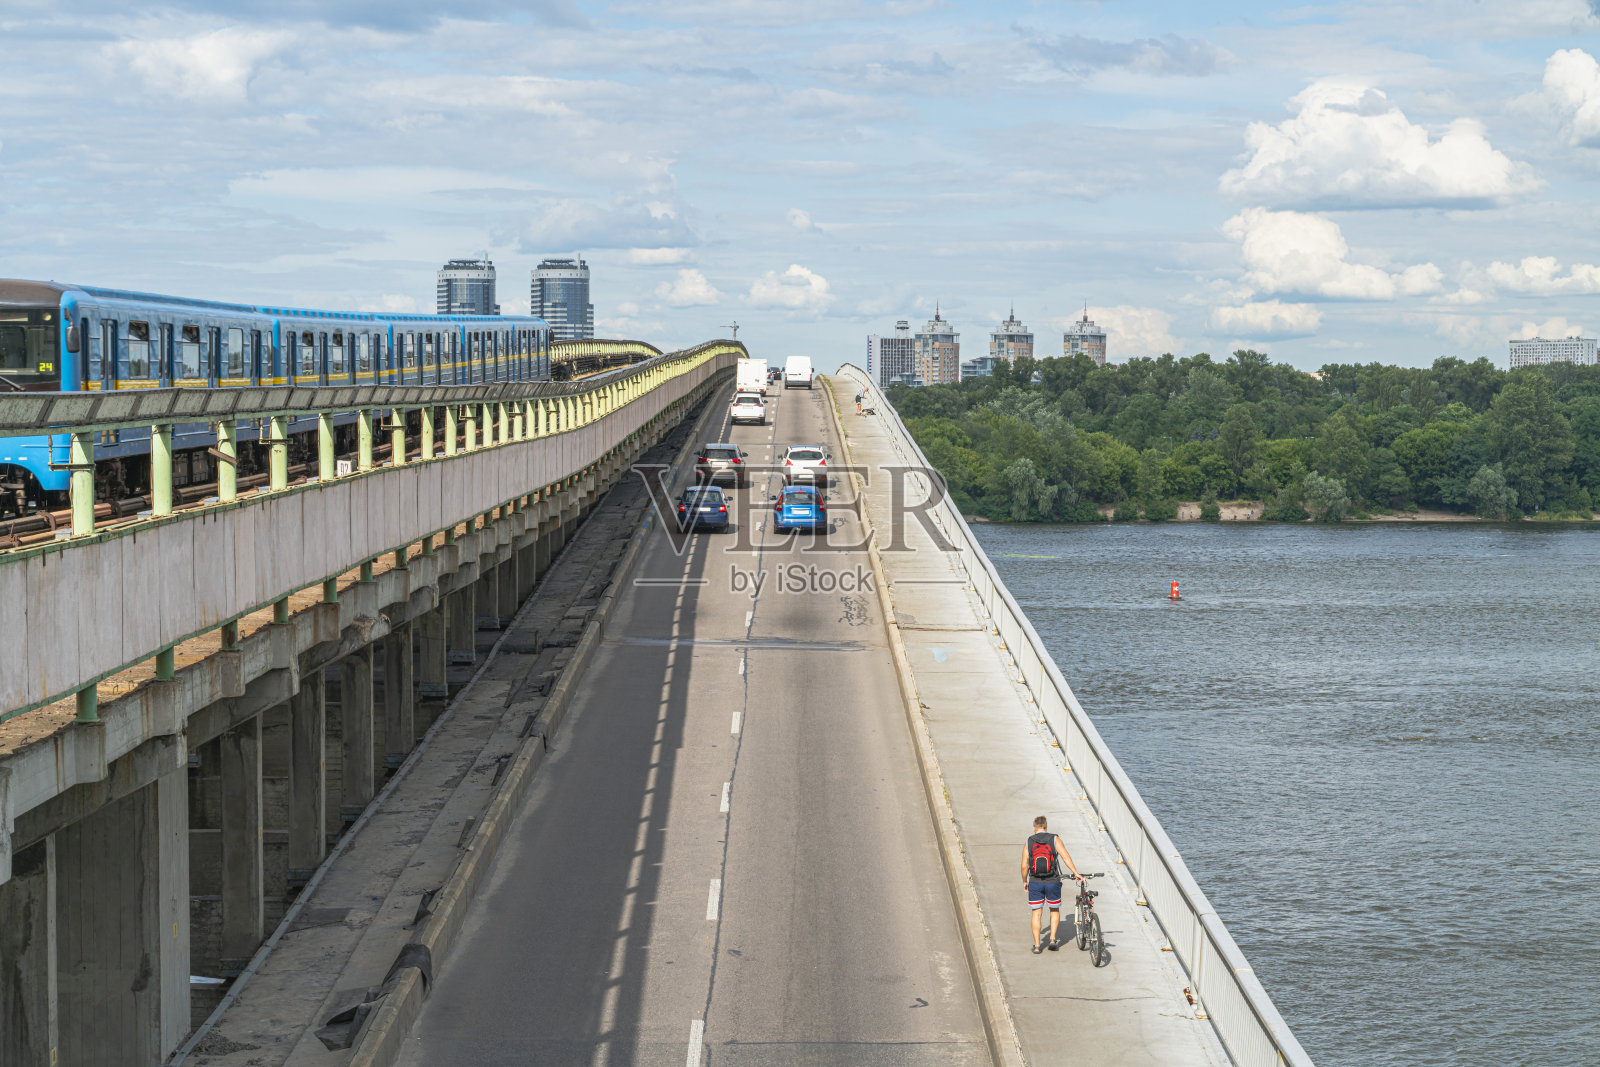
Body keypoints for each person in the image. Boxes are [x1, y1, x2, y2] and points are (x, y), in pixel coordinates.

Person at [1021, 815, 1084, 953]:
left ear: (1034, 828)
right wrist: (1075, 873)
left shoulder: (1029, 841)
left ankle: (1037, 946)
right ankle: (1052, 940)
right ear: (1046, 827)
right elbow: (1066, 857)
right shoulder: (1054, 839)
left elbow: (1024, 865)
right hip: (1053, 881)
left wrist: (1025, 881)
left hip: (1035, 882)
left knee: (1036, 913)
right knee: (1054, 910)